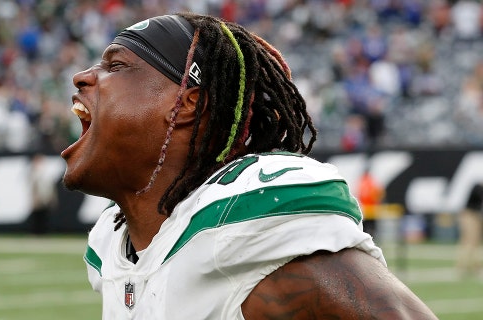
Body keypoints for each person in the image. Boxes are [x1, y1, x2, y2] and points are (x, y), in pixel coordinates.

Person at [61, 13, 437, 319]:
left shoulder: (239, 226)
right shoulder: (112, 247)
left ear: (188, 102)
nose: (82, 76)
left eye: (118, 65)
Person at [456, 183, 483, 276]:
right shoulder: (477, 187)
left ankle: (475, 265)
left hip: (474, 216)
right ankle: (463, 266)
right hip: (469, 215)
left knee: (474, 242)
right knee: (469, 241)